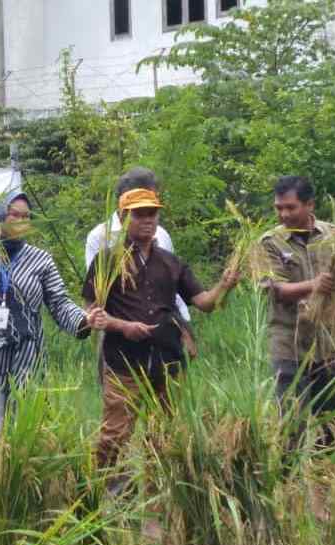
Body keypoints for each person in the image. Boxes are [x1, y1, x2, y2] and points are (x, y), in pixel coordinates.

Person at [83, 187, 238, 470]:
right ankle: (101, 493)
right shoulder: (106, 260)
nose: (147, 220)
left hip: (167, 360)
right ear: (123, 217)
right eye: (139, 214)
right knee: (114, 435)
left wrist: (225, 286)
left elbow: (204, 303)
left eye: (152, 213)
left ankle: (160, 499)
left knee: (165, 433)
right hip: (123, 362)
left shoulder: (170, 262)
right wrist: (123, 326)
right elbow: (93, 312)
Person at [0, 191, 105, 441]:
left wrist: (84, 319)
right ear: (0, 217)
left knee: (22, 434)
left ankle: (17, 479)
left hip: (27, 359)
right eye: (15, 215)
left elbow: (59, 302)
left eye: (27, 217)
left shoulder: (40, 260)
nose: (22, 221)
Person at [260, 176, 335, 450]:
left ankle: (323, 489)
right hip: (291, 348)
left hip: (333, 346)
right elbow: (272, 288)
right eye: (279, 208)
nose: (283, 214)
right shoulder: (270, 242)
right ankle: (287, 487)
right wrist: (312, 286)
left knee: (332, 430)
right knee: (290, 429)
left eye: (291, 207)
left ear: (310, 204)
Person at [85, 167, 197, 358]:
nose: (148, 210)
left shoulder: (160, 234)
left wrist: (184, 328)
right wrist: (123, 326)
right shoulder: (100, 236)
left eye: (152, 203)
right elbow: (96, 299)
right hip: (117, 341)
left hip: (164, 341)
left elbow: (171, 291)